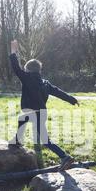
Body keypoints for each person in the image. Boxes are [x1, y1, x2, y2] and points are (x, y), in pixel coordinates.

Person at [8, 40, 79, 171]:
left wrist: (13, 52)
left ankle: (64, 156)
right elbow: (58, 92)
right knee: (22, 119)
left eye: (25, 70)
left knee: (45, 140)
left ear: (27, 70)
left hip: (33, 112)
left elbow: (15, 67)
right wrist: (72, 99)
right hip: (41, 113)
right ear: (39, 70)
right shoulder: (45, 83)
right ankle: (17, 140)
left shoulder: (26, 77)